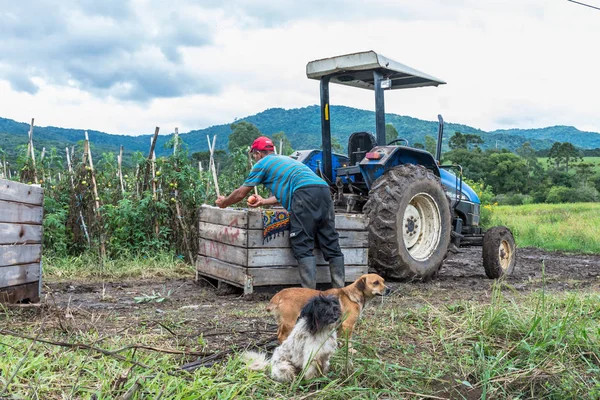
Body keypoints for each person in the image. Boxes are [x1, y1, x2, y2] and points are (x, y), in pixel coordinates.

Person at [215, 136, 345, 289]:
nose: (255, 159)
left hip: (304, 194)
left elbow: (240, 193)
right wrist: (263, 201)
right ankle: (340, 290)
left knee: (302, 242)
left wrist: (224, 203)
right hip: (323, 191)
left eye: (254, 155)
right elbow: (293, 189)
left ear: (258, 153)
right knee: (330, 240)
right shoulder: (287, 160)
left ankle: (309, 293)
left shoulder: (262, 164)